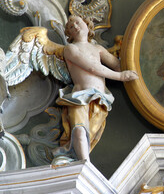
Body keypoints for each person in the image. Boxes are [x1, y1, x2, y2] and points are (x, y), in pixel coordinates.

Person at [53, 15, 138, 163]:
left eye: (78, 23)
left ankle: (80, 160)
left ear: (87, 25)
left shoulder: (97, 49)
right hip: (80, 98)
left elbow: (119, 65)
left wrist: (133, 53)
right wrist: (121, 76)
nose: (76, 27)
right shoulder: (70, 49)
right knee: (79, 132)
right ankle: (84, 164)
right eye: (71, 27)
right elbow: (92, 68)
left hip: (100, 100)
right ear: (69, 34)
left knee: (89, 135)